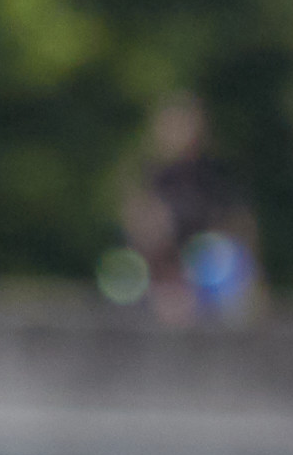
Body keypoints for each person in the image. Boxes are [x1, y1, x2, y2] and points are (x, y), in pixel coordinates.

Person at [110, 97, 259, 325]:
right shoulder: (150, 178)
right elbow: (141, 235)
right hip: (162, 274)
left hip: (206, 274)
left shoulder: (215, 177)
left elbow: (238, 234)